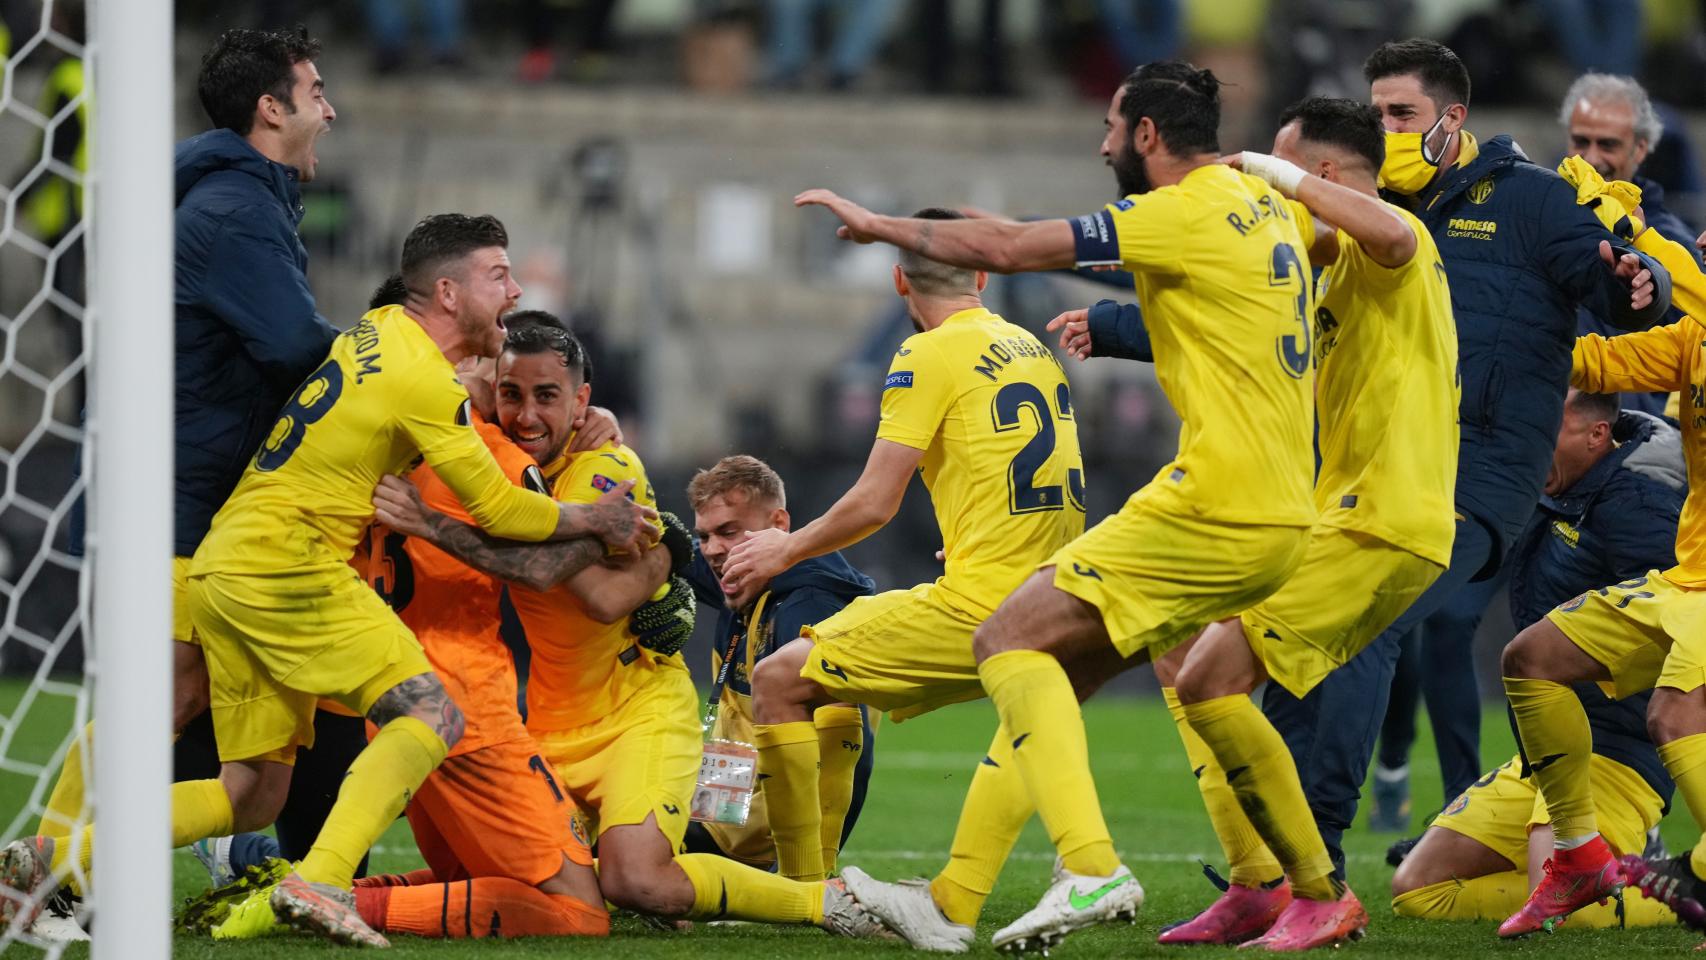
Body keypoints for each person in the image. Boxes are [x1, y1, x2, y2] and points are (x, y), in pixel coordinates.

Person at [0, 214, 658, 943]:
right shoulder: (433, 393)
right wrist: (609, 523)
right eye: (498, 276)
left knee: (246, 791)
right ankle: (319, 881)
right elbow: (505, 511)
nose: (516, 289)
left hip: (228, 558)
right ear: (447, 292)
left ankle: (50, 857)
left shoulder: (371, 332)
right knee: (434, 719)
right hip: (295, 569)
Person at [797, 61, 1321, 953]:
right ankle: (1282, 884)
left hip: (1214, 498)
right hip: (1286, 507)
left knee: (1008, 637)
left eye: (1114, 128)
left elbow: (1005, 246)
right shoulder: (1263, 206)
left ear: (1148, 136)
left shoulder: (1176, 208)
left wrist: (883, 224)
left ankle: (1090, 866)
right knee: (1094, 675)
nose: (1103, 143)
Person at [1254, 38, 1668, 896]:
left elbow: (1617, 292)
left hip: (1484, 473)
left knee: (1372, 623)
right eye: (1376, 118)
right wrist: (1112, 329)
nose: (1388, 131)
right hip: (1375, 469)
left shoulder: (1532, 203)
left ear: (1454, 119)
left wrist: (1642, 283)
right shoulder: (1367, 213)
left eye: (1402, 115)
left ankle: (1319, 858)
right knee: (1287, 632)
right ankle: (1273, 856)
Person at [368, 323, 883, 937]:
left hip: (634, 719)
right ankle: (324, 892)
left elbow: (598, 595)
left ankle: (820, 896)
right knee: (515, 878)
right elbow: (469, 401)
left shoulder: (606, 465)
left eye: (548, 397)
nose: (527, 414)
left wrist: (666, 547)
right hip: (544, 727)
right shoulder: (490, 458)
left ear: (580, 401)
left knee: (632, 882)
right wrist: (673, 548)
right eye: (511, 394)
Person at [17, 25, 345, 920]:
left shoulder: (236, 199)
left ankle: (51, 871)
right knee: (169, 694)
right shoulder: (234, 211)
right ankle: (45, 865)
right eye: (315, 91)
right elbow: (291, 346)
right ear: (270, 108)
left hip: (168, 485)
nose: (330, 108)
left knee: (177, 699)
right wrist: (384, 361)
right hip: (168, 493)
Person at [1138, 95, 1456, 947]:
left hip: (1382, 524)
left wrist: (1271, 175)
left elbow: (1388, 231)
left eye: (1280, 171)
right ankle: (1256, 882)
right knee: (1173, 643)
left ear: (1316, 177)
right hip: (1332, 518)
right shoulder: (1327, 264)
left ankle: (1313, 888)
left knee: (1212, 678)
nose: (1261, 186)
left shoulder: (1397, 246)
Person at [720, 206, 1087, 898]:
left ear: (898, 282)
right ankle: (1057, 862)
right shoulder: (1029, 347)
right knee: (831, 681)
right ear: (982, 271)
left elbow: (874, 501)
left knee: (778, 678)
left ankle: (804, 892)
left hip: (981, 604)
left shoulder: (925, 352)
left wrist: (783, 550)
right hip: (1051, 590)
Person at [1392, 389, 1683, 929]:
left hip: (1612, 753)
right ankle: (1602, 876)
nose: (1529, 446)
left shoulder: (1638, 503)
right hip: (1543, 755)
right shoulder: (1557, 485)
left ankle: (1677, 889)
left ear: (1596, 435)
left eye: (1545, 434)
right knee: (1416, 890)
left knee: (1567, 911)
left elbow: (1678, 627)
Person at [1495, 191, 1706, 932]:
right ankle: (1582, 857)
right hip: (1688, 580)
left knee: (1676, 712)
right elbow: (1586, 362)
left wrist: (1635, 226)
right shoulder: (1692, 346)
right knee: (1530, 659)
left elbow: (1689, 278)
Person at [680, 455, 879, 872]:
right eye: (706, 535)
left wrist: (810, 867)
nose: (714, 550)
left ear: (779, 524)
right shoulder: (744, 579)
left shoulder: (809, 607)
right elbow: (666, 547)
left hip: (765, 847)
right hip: (720, 813)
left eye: (729, 532)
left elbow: (850, 747)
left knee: (619, 851)